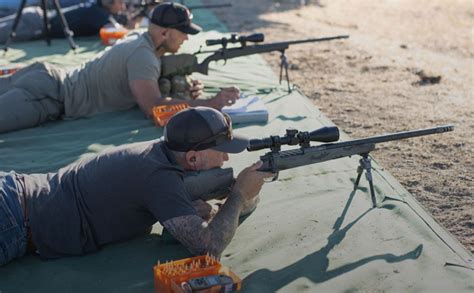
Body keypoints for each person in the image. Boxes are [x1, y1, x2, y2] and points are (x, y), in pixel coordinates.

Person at [0, 107, 273, 266]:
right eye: (221, 150)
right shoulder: (158, 177)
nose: (226, 157)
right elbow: (207, 247)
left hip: (16, 196)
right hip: (12, 218)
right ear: (192, 157)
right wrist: (237, 195)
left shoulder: (157, 153)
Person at [0, 2, 239, 134]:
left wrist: (182, 91)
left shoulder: (139, 38)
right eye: (183, 33)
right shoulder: (143, 57)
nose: (186, 39)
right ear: (164, 33)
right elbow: (155, 110)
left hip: (44, 76)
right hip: (47, 97)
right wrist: (211, 104)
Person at [0, 0, 130, 44]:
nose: (122, 7)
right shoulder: (99, 14)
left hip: (36, 16)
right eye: (120, 2)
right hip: (36, 24)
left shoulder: (95, 7)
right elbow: (118, 33)